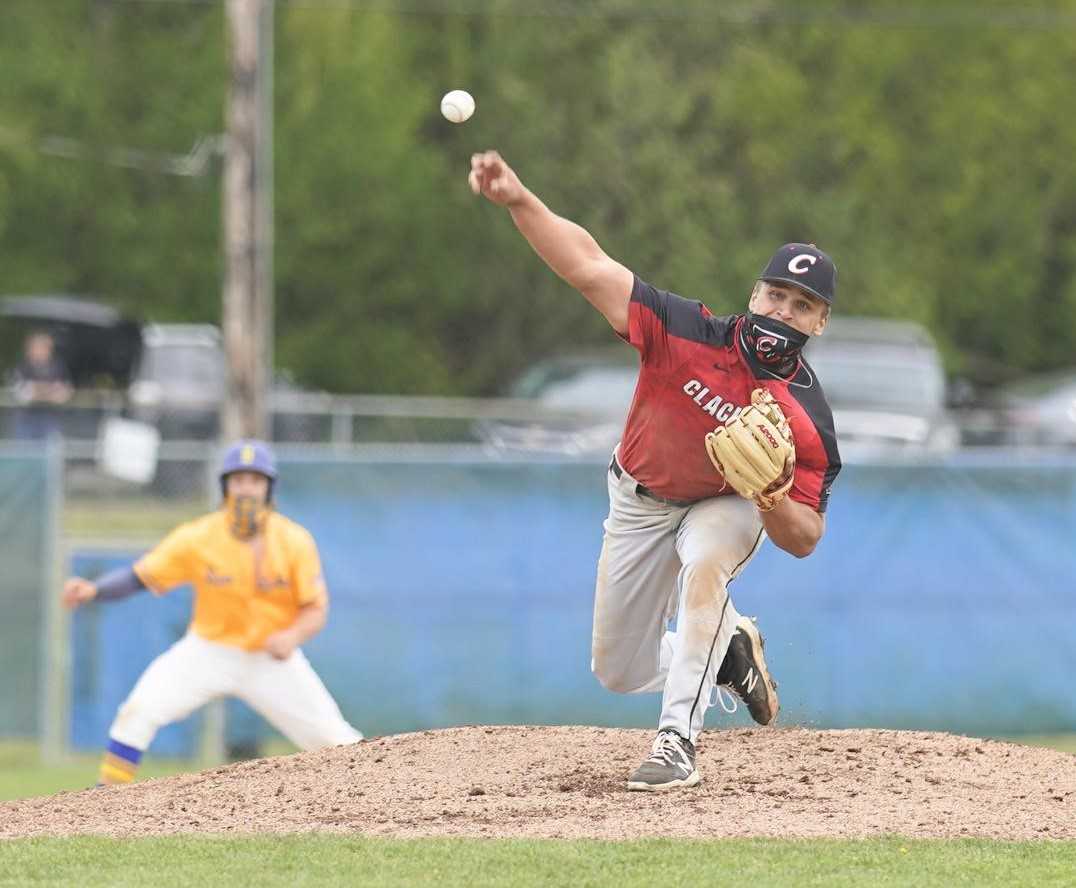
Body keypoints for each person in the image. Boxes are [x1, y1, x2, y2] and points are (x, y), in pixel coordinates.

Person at [469, 151, 841, 791]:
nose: (783, 311)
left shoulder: (808, 418)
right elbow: (588, 265)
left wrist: (774, 497)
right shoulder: (684, 330)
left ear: (820, 321)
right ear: (754, 293)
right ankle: (727, 650)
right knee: (617, 670)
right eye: (776, 294)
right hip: (639, 499)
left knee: (705, 567)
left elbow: (805, 537)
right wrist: (519, 200)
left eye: (801, 305)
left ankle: (677, 743)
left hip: (728, 505)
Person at [62, 440, 363, 785]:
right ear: (225, 487)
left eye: (255, 480)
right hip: (208, 650)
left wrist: (292, 636)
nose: (246, 488)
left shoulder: (294, 540)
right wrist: (95, 589)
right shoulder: (199, 536)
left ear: (269, 488)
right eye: (238, 480)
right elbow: (140, 576)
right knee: (138, 711)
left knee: (336, 740)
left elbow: (315, 610)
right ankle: (106, 799)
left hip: (271, 658)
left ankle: (388, 803)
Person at [10, 330, 72, 440]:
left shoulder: (59, 368)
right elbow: (22, 395)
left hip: (50, 420)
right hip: (26, 420)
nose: (42, 350)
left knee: (50, 453)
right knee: (25, 452)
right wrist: (48, 391)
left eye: (45, 347)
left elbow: (63, 395)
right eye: (37, 347)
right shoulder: (22, 367)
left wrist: (37, 390)